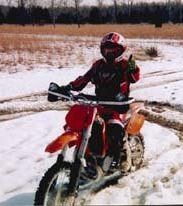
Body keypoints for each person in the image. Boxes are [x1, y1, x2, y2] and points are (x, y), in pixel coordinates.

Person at [60, 32, 140, 172]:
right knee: (86, 125)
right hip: (99, 105)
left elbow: (134, 78)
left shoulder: (125, 65)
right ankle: (90, 155)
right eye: (107, 48)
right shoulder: (98, 65)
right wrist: (68, 87)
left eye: (113, 49)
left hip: (117, 107)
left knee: (115, 131)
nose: (109, 51)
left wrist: (134, 68)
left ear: (121, 50)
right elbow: (84, 79)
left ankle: (124, 157)